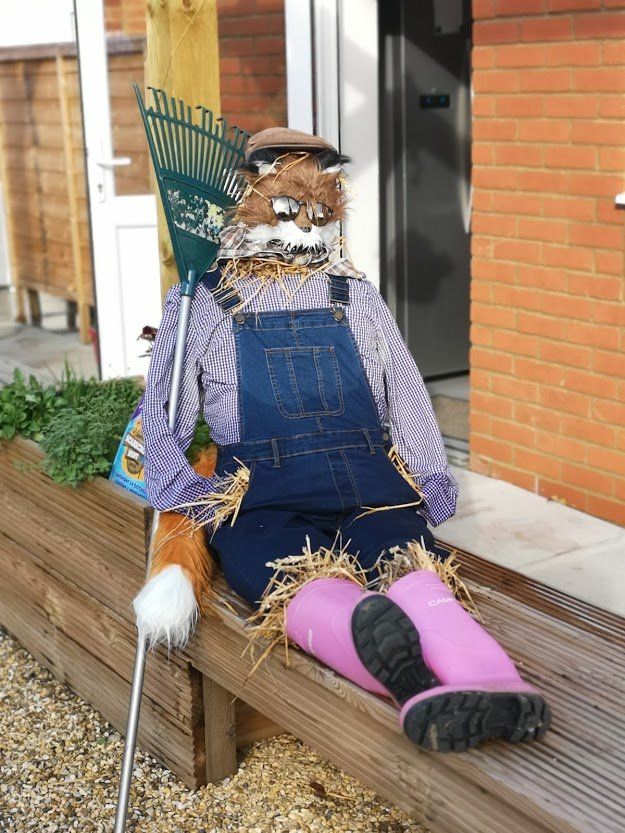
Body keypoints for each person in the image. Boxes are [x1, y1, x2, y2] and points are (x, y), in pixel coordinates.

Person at [137, 128, 550, 752]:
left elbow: (401, 387)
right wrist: (429, 476)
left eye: (317, 213)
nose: (304, 227)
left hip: (286, 491)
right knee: (406, 565)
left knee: (289, 578)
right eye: (286, 210)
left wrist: (181, 488)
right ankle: (488, 677)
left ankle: (391, 661)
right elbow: (405, 393)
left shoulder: (342, 292)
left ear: (333, 205)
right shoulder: (202, 298)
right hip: (316, 485)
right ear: (245, 197)